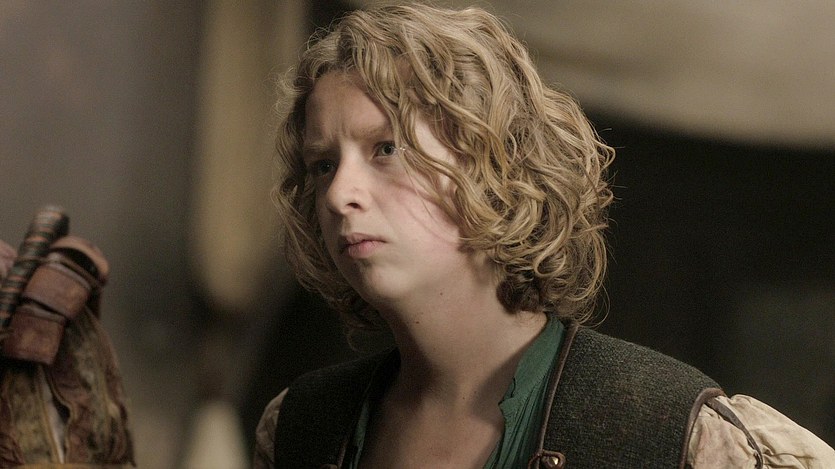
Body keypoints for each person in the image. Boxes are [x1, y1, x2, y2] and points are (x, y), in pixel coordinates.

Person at [254, 4, 835, 468]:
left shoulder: (673, 431)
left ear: (492, 165)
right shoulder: (303, 427)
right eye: (323, 164)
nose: (340, 194)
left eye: (386, 149)